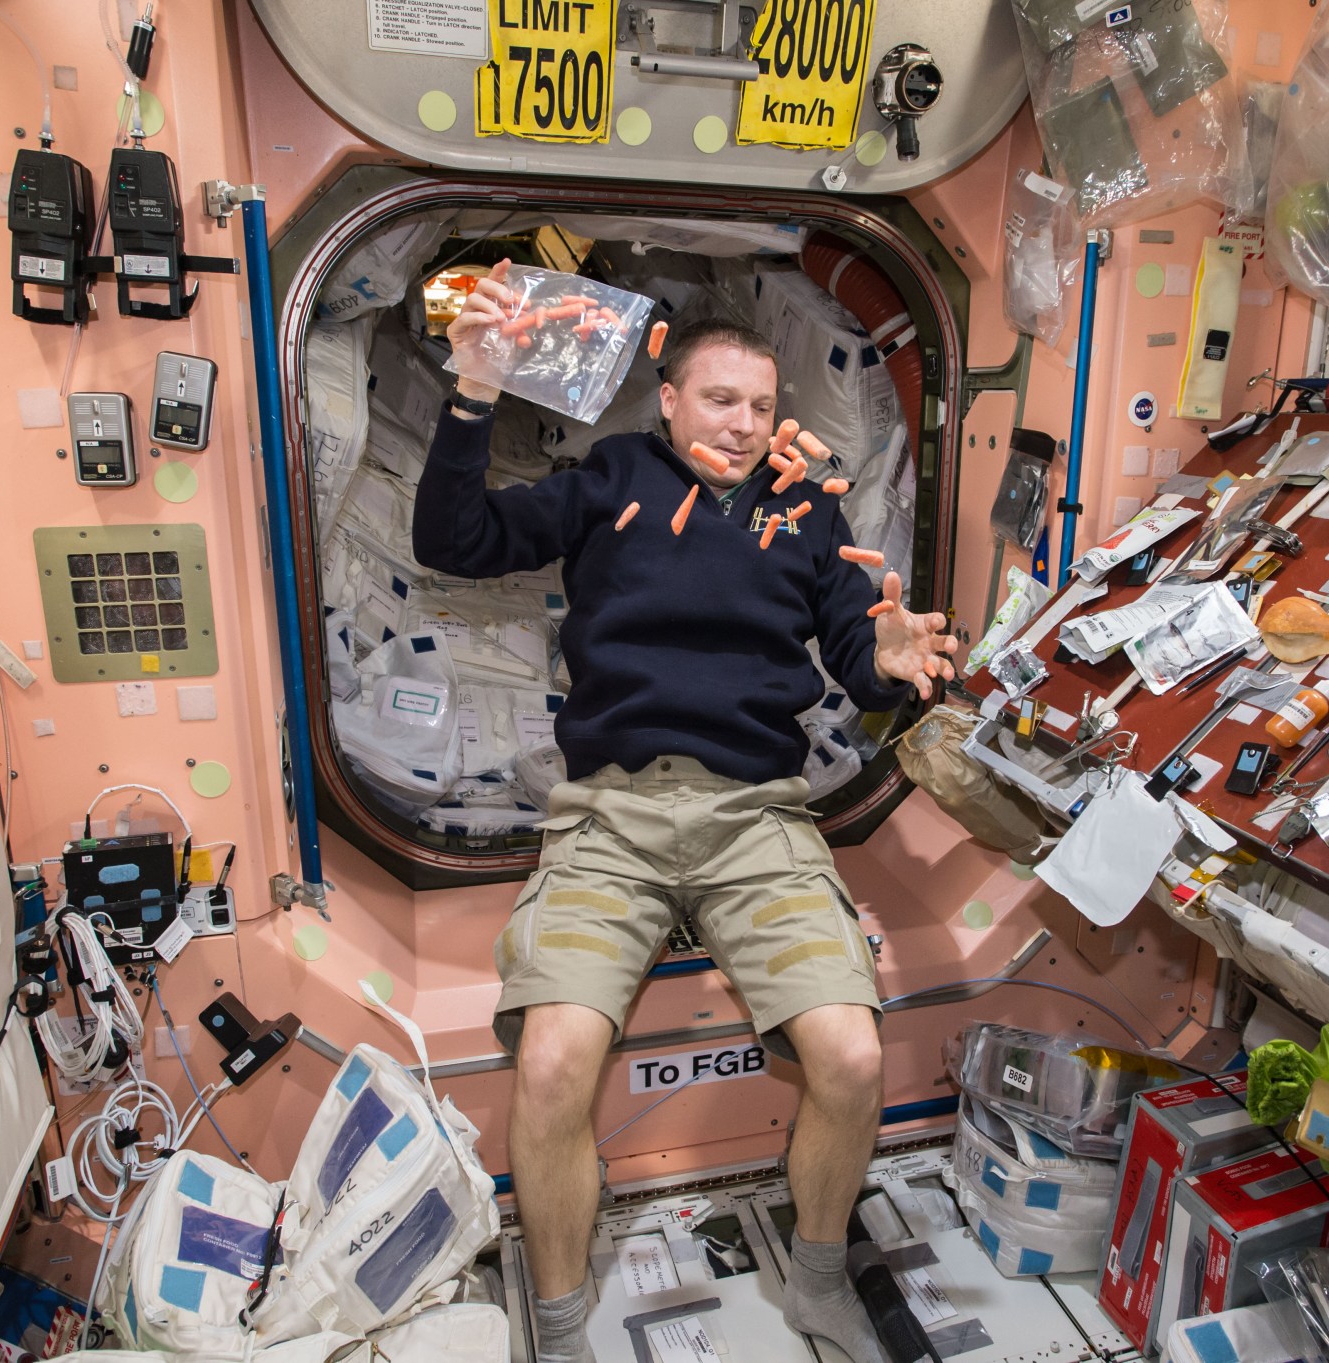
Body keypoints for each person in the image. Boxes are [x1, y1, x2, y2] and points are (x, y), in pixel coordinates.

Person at [413, 260, 958, 1363]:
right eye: (720, 399)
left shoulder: (808, 514)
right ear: (667, 399)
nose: (746, 423)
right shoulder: (609, 476)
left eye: (762, 406)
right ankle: (561, 1327)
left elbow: (859, 656)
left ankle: (813, 1283)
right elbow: (455, 542)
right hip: (610, 815)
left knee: (850, 1057)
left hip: (756, 816)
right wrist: (471, 394)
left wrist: (893, 662)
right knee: (557, 1060)